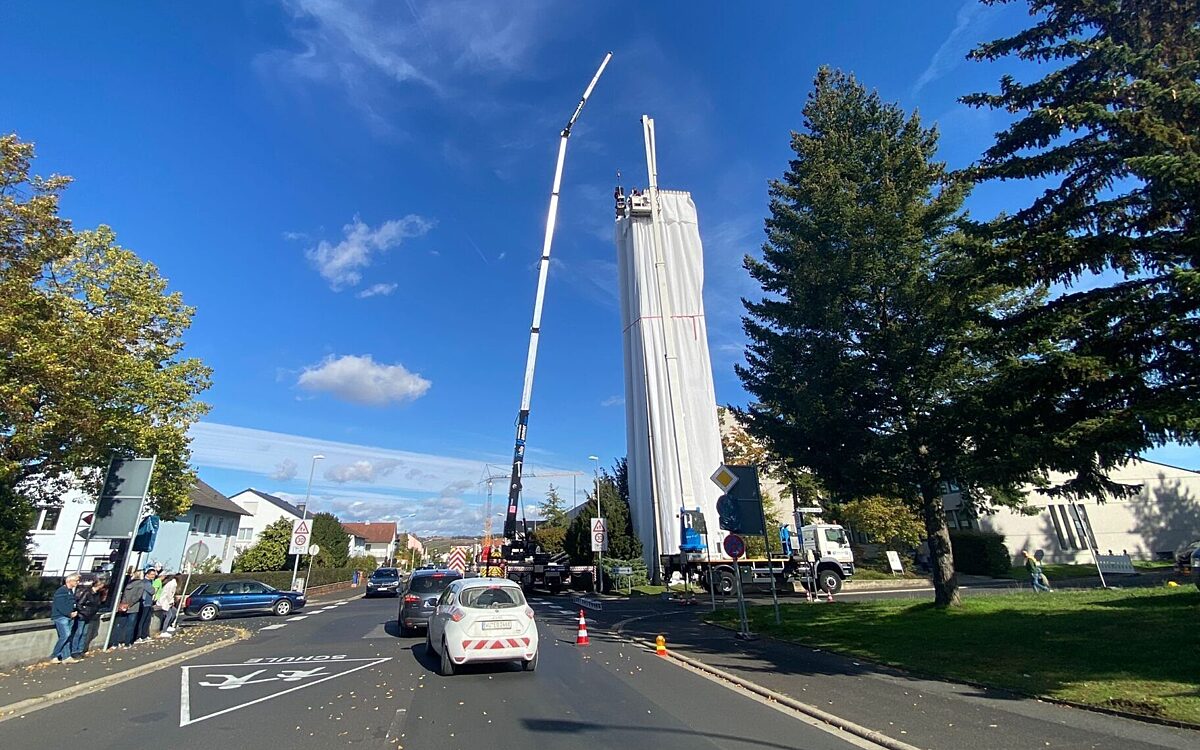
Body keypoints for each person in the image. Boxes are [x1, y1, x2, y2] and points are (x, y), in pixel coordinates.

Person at [48, 574, 80, 664]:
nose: (78, 582)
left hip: (69, 616)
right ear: (70, 581)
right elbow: (60, 605)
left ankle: (67, 656)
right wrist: (69, 614)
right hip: (61, 617)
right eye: (76, 581)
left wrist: (74, 611)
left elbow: (71, 603)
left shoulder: (69, 591)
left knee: (68, 636)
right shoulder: (61, 591)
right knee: (65, 636)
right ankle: (54, 655)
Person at [70, 578, 104, 657]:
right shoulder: (87, 593)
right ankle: (74, 651)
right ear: (98, 585)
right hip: (83, 615)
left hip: (89, 615)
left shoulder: (97, 594)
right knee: (79, 632)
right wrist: (84, 612)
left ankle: (81, 650)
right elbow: (80, 604)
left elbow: (97, 604)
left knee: (84, 633)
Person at [111, 570, 143, 648]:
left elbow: (124, 594)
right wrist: (130, 604)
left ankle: (115, 643)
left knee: (120, 625)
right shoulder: (141, 584)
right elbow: (138, 596)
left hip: (123, 606)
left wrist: (124, 604)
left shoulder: (129, 583)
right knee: (130, 626)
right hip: (133, 607)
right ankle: (127, 643)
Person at [135, 568, 158, 641]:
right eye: (152, 574)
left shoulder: (150, 582)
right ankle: (139, 636)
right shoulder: (145, 582)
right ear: (147, 574)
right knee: (142, 620)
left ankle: (145, 635)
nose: (153, 576)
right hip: (145, 603)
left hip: (149, 603)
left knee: (147, 620)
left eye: (154, 575)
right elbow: (152, 591)